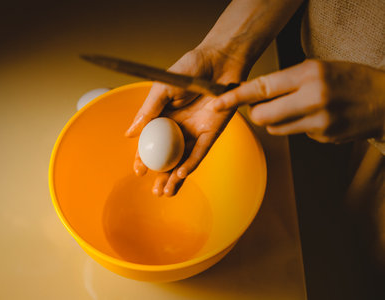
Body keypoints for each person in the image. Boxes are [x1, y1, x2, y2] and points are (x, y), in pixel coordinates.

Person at [126, 0, 384, 292]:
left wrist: (381, 101)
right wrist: (227, 47)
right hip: (331, 86)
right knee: (349, 237)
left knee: (368, 265)